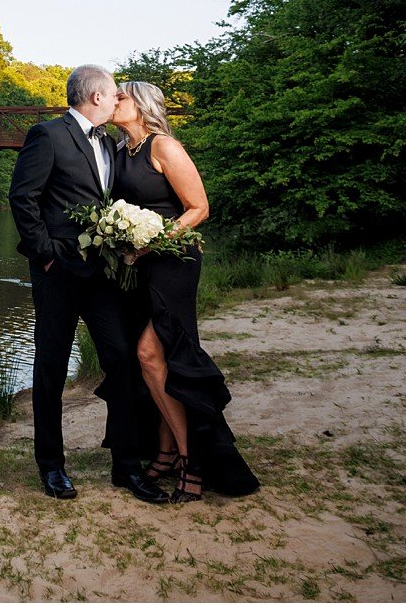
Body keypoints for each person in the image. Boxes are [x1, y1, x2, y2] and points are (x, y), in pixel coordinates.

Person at [8, 65, 169, 504]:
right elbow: (23, 197)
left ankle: (127, 466)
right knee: (51, 368)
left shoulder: (112, 145)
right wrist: (44, 256)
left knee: (121, 359)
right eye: (114, 93)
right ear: (97, 97)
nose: (118, 99)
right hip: (57, 274)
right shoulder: (48, 134)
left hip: (102, 274)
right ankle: (52, 466)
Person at [109, 80, 260, 502]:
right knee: (160, 363)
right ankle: (166, 448)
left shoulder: (164, 147)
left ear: (141, 105)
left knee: (150, 353)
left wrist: (150, 242)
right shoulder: (121, 151)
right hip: (136, 266)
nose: (113, 101)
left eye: (120, 96)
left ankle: (192, 458)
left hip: (173, 261)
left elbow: (199, 208)